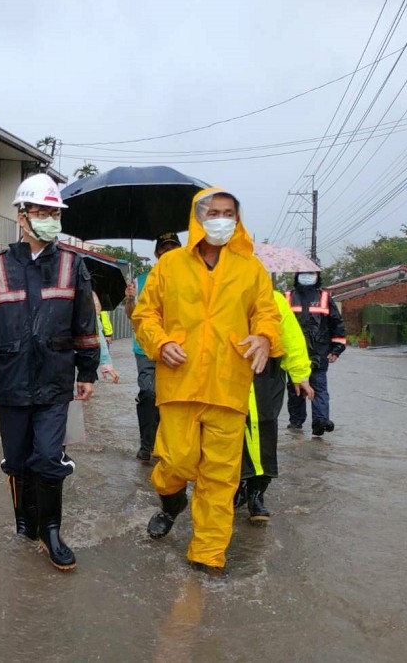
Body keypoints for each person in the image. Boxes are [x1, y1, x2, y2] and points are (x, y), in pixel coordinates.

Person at [132, 187, 281, 578]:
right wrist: (160, 343)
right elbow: (145, 316)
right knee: (175, 461)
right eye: (213, 211)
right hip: (178, 381)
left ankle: (208, 555)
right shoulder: (170, 265)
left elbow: (267, 314)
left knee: (220, 476)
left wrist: (264, 337)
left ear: (238, 218)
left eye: (229, 212)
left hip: (229, 384)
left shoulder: (251, 269)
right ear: (197, 219)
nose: (221, 219)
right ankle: (171, 501)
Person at [0, 173, 99, 572]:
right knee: (17, 459)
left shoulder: (73, 266)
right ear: (22, 217)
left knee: (49, 458)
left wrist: (87, 372)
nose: (50, 218)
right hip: (11, 381)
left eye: (54, 212)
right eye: (41, 211)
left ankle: (51, 531)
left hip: (56, 383)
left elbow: (85, 324)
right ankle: (25, 522)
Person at [237, 290, 315, 523]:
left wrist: (300, 373)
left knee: (264, 425)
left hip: (267, 372)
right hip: (229, 369)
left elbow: (291, 335)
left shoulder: (273, 299)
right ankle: (236, 485)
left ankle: (257, 491)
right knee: (231, 428)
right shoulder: (217, 291)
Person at [124, 232, 182, 462]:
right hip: (146, 348)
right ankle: (147, 444)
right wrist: (129, 299)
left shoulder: (188, 278)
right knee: (149, 393)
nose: (168, 252)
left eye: (173, 247)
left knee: (172, 399)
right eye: (164, 248)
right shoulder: (140, 280)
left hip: (177, 349)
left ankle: (168, 445)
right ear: (157, 253)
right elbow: (132, 316)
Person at [285, 271, 346, 437]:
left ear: (317, 276)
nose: (307, 276)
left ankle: (320, 421)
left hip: (319, 352)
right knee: (295, 389)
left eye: (310, 273)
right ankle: (296, 422)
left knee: (319, 387)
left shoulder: (325, 297)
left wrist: (337, 349)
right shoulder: (287, 297)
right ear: (297, 275)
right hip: (294, 354)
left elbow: (337, 324)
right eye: (304, 273)